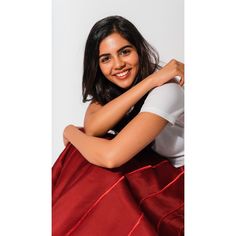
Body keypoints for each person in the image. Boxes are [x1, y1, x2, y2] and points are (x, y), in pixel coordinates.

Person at [52, 15, 184, 236]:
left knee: (96, 158)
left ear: (139, 50)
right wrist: (148, 81)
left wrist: (70, 131)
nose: (118, 64)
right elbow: (93, 128)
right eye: (106, 58)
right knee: (86, 150)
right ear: (97, 65)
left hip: (182, 184)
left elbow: (112, 156)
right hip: (162, 172)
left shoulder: (167, 91)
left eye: (125, 52)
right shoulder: (117, 92)